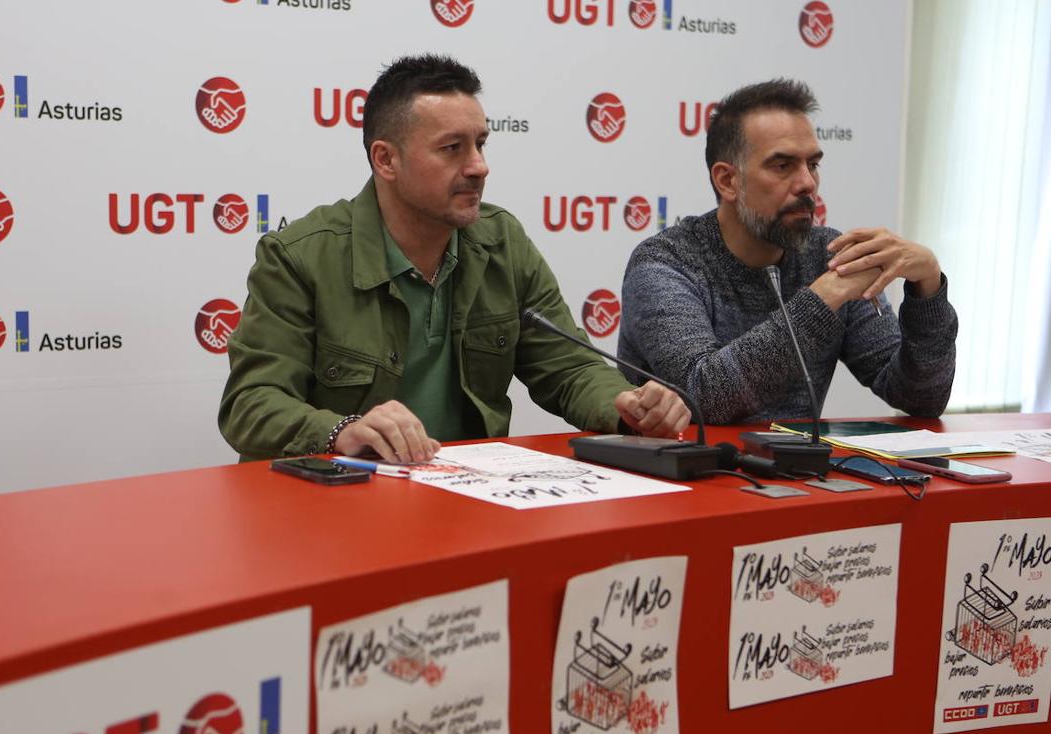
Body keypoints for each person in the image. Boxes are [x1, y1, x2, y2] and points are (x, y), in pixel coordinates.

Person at [219, 54, 689, 463]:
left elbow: (568, 366)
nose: (479, 166)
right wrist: (341, 431)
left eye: (481, 143)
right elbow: (251, 404)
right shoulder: (300, 257)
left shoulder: (502, 240)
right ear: (386, 159)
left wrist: (626, 406)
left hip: (468, 498)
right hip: (339, 503)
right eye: (452, 148)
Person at [619, 78, 957, 424]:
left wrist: (927, 289)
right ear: (727, 181)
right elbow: (704, 396)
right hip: (688, 474)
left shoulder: (829, 253)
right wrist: (824, 296)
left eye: (813, 164)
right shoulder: (665, 262)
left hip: (798, 474)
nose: (807, 183)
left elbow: (921, 398)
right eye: (783, 166)